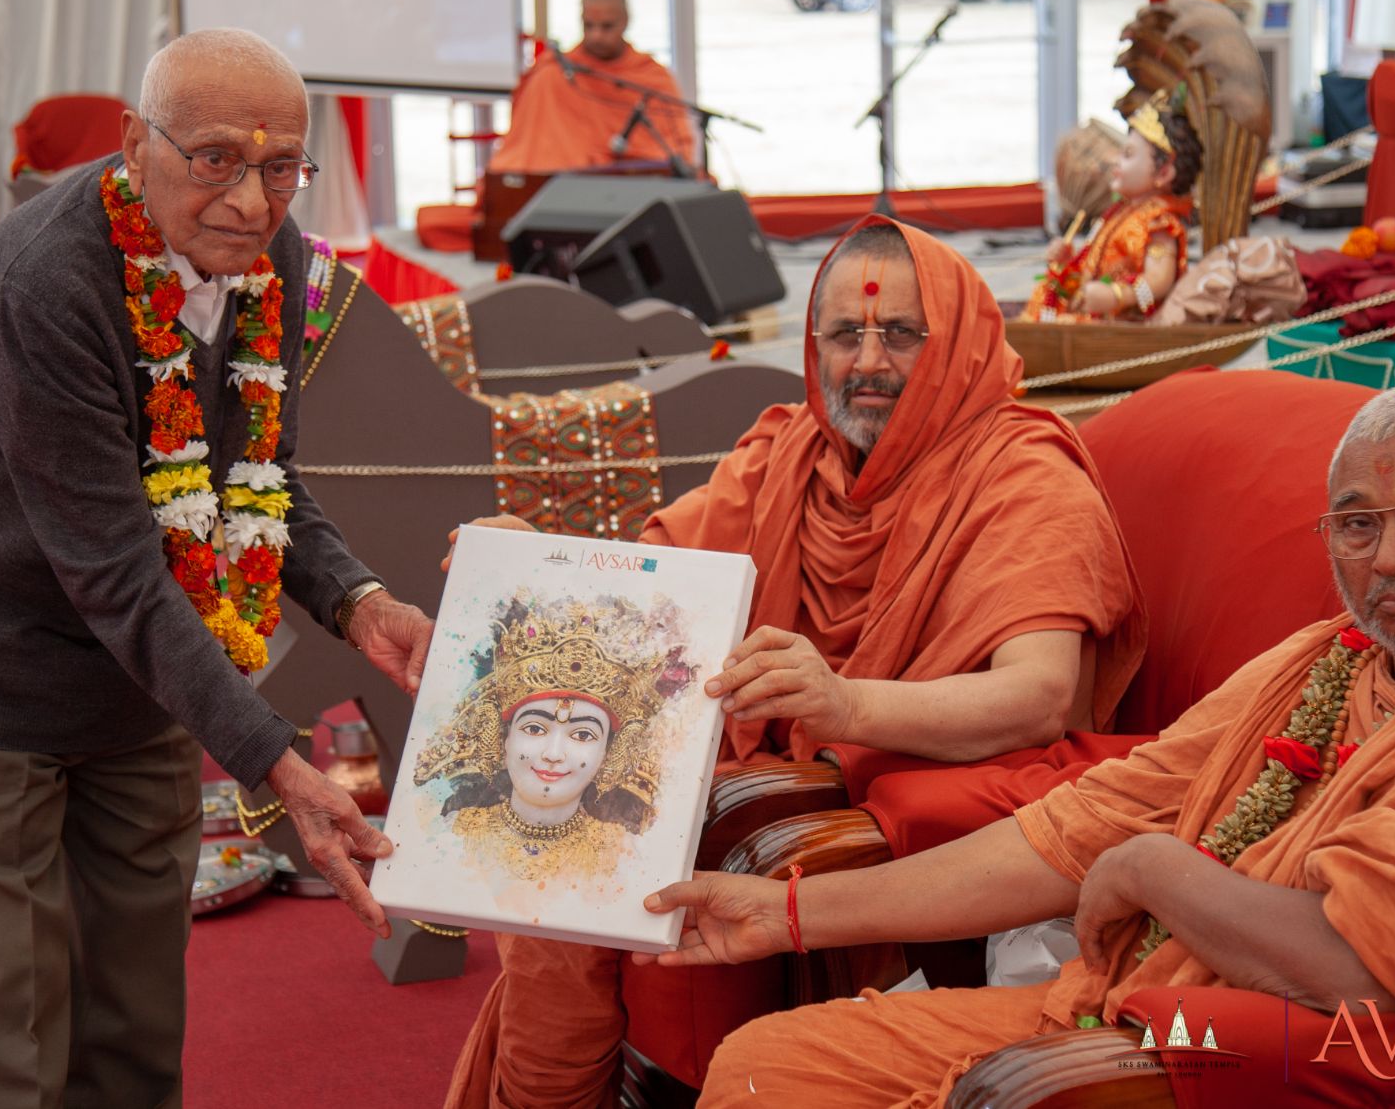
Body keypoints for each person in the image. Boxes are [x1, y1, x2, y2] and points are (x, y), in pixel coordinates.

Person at [640, 351, 1395, 1107]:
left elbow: (1372, 972)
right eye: (1357, 524)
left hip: (1265, 1060)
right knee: (767, 1069)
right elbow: (1075, 828)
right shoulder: (1328, 660)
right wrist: (786, 913)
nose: (1390, 554)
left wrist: (1154, 872)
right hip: (1126, 1003)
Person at [445, 215, 1148, 1105]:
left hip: (930, 790)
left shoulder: (1026, 474)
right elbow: (653, 586)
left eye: (901, 333)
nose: (868, 361)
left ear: (961, 343)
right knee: (558, 832)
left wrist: (845, 706)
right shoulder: (789, 453)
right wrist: (537, 569)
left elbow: (1040, 697)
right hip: (787, 768)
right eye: (845, 333)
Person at [0, 28, 434, 1108]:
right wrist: (276, 761)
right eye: (215, 158)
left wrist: (356, 601)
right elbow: (114, 568)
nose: (251, 200)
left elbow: (256, 476)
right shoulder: (43, 282)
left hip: (143, 682)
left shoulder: (273, 255)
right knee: (21, 1041)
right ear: (137, 144)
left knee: (138, 1026)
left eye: (282, 166)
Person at [414, 595, 700, 883]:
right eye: (535, 729)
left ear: (607, 754)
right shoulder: (452, 833)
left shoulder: (621, 853)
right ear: (504, 740)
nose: (553, 753)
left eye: (583, 735)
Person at [485, 0, 698, 174]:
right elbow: (526, 154)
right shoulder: (554, 74)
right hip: (567, 191)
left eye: (607, 26)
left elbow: (677, 155)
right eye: (589, 26)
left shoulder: (651, 78)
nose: (596, 36)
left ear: (625, 21)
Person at [1024, 91, 1200, 322]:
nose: (1116, 160)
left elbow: (1159, 282)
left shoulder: (1160, 223)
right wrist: (1068, 263)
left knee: (1062, 322)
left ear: (1164, 172)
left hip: (1123, 322)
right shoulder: (1118, 213)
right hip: (1095, 311)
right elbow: (1095, 269)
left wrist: (1117, 295)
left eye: (1128, 155)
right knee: (1046, 298)